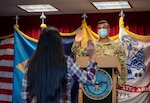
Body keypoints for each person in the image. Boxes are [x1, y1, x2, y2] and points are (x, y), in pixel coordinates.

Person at [21, 26, 97, 103]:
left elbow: (25, 95)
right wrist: (92, 57)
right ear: (58, 43)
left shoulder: (31, 63)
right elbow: (89, 80)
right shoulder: (67, 62)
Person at [71, 20, 127, 89]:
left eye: (104, 28)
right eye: (99, 28)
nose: (101, 30)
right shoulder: (92, 45)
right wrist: (76, 42)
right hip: (92, 82)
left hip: (110, 82)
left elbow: (123, 65)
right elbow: (78, 55)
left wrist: (121, 82)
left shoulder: (117, 46)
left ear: (109, 30)